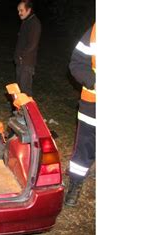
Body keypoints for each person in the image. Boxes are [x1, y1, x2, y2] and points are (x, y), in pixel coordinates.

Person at [65, 23, 96, 206]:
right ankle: (75, 185)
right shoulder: (97, 30)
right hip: (92, 106)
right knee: (83, 150)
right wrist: (93, 82)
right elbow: (77, 63)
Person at [14, 0, 41, 97]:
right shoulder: (26, 22)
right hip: (20, 62)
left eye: (21, 10)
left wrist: (22, 56)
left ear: (29, 10)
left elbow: (33, 44)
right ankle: (18, 111)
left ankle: (26, 111)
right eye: (18, 11)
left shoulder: (34, 23)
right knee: (18, 89)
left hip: (27, 63)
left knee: (25, 91)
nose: (19, 13)